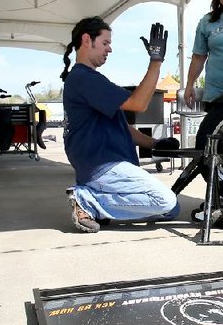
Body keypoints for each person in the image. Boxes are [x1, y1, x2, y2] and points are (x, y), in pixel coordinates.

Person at [60, 17, 180, 233]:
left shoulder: (90, 79)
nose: (110, 49)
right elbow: (139, 104)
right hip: (103, 164)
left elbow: (122, 128)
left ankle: (97, 203)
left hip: (105, 164)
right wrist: (156, 61)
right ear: (87, 40)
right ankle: (87, 200)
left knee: (171, 210)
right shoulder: (84, 79)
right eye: (105, 43)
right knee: (165, 202)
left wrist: (156, 144)